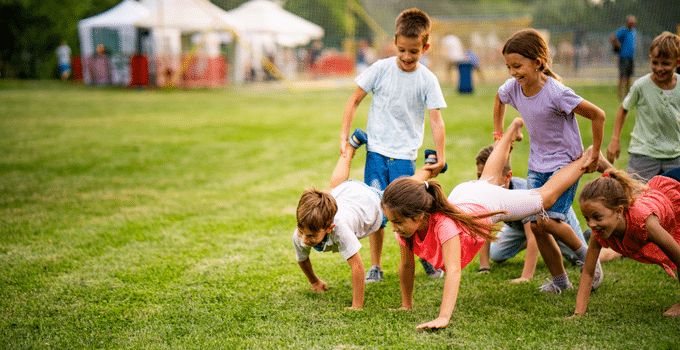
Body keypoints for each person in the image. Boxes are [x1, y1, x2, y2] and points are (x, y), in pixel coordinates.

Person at [383, 118, 593, 329]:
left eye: (397, 221)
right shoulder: (405, 229)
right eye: (392, 221)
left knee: (545, 198)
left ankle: (587, 158)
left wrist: (444, 317)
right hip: (465, 195)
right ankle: (512, 129)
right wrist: (406, 305)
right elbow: (407, 265)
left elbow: (454, 271)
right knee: (488, 178)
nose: (394, 227)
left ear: (419, 215)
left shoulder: (444, 226)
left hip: (486, 203)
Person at [493, 28, 606, 294]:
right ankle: (560, 282)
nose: (512, 72)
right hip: (537, 165)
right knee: (535, 225)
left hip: (566, 163)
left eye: (517, 66)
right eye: (508, 66)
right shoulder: (514, 88)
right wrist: (499, 134)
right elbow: (499, 98)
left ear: (538, 63)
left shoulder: (557, 92)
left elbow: (598, 115)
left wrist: (596, 153)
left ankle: (587, 258)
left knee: (547, 221)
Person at [339, 8, 447, 279]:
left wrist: (441, 155)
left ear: (426, 46)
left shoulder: (427, 80)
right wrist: (344, 137)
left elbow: (436, 120)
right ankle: (376, 266)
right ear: (395, 43)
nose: (407, 57)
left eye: (414, 51)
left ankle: (420, 256)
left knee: (411, 212)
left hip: (404, 158)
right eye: (401, 50)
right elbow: (353, 100)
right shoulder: (380, 69)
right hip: (376, 154)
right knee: (377, 210)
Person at [293, 131, 441, 309]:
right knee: (333, 189)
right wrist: (315, 281)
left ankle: (430, 165)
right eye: (302, 232)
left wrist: (357, 306)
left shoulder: (340, 228)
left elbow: (357, 267)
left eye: (309, 236)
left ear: (330, 227)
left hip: (371, 202)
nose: (303, 239)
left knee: (401, 193)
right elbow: (302, 258)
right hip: (345, 194)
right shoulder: (303, 230)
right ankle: (351, 145)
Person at [573, 165, 680, 317]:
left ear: (619, 211)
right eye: (587, 218)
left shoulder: (646, 224)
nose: (590, 224)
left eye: (597, 217)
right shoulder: (598, 232)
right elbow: (588, 272)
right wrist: (578, 313)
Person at [474, 145, 589, 282]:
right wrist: (484, 267)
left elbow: (533, 236)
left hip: (554, 219)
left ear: (507, 177)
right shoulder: (484, 192)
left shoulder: (522, 194)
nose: (484, 182)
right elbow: (484, 227)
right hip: (522, 227)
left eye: (490, 177)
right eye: (480, 176)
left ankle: (603, 248)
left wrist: (525, 277)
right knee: (497, 254)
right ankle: (547, 242)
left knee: (579, 259)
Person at [606, 32, 680, 184]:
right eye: (655, 62)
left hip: (675, 155)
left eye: (665, 63)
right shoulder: (641, 85)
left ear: (677, 63)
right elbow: (623, 108)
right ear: (650, 59)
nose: (659, 68)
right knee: (635, 197)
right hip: (643, 154)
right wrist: (615, 140)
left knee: (674, 201)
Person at [610, 15, 637, 100]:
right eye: (631, 22)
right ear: (627, 22)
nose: (632, 23)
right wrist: (618, 46)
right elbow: (612, 37)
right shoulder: (623, 30)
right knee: (622, 76)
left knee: (629, 75)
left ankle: (627, 93)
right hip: (623, 56)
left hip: (631, 56)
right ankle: (620, 93)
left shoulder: (634, 31)